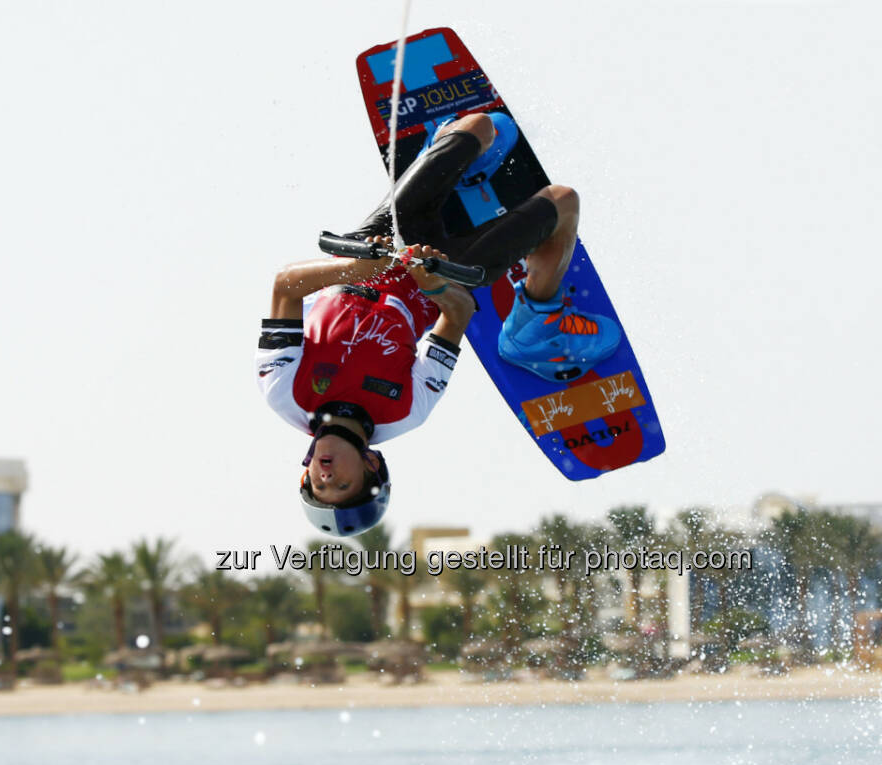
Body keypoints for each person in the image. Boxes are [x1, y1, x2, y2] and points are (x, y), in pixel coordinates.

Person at [258, 112, 617, 536]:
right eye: (342, 484)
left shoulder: (285, 393)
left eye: (320, 486)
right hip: (443, 272)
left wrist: (356, 268)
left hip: (375, 244)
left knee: (480, 126)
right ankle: (534, 325)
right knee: (563, 202)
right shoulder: (406, 410)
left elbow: (286, 286)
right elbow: (460, 313)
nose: (327, 477)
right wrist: (431, 284)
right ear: (372, 464)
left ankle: (459, 169)